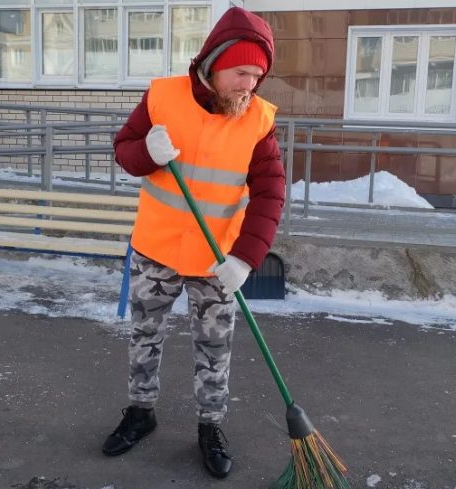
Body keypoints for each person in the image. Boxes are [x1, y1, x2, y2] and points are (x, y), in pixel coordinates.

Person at [102, 6, 285, 479]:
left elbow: (270, 193)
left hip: (216, 259)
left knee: (214, 347)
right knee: (144, 336)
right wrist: (147, 153)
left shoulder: (259, 120)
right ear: (215, 64)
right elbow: (124, 148)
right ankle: (141, 414)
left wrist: (246, 258)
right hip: (156, 249)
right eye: (241, 71)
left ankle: (209, 427)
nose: (249, 84)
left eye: (257, 75)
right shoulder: (163, 97)